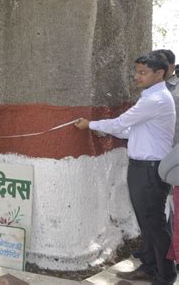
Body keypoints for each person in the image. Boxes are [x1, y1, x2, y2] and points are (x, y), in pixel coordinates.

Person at [74, 52, 176, 285]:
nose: (136, 76)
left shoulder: (155, 99)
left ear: (159, 73)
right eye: (136, 71)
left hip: (150, 170)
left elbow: (121, 123)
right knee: (146, 222)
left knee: (155, 224)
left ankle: (165, 276)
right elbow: (130, 131)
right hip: (142, 168)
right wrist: (102, 128)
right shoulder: (150, 97)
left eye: (142, 72)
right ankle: (150, 268)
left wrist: (90, 124)